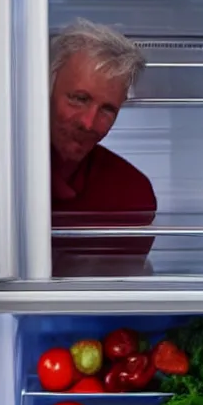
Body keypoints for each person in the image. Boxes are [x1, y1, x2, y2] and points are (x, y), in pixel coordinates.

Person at [50, 19, 157, 265]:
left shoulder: (132, 195)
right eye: (79, 98)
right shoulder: (1, 175)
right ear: (47, 88)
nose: (89, 123)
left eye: (107, 109)